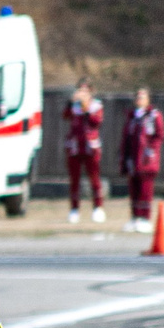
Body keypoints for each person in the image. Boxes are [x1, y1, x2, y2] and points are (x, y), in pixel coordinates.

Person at [119, 86, 164, 234]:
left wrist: (150, 151)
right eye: (137, 96)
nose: (139, 99)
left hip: (146, 159)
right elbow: (127, 138)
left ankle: (145, 218)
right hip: (133, 158)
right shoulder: (132, 116)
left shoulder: (153, 115)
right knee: (134, 189)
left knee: (145, 189)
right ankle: (135, 217)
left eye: (143, 96)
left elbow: (159, 135)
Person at [62, 79, 106, 225]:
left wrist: (86, 107)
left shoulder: (96, 105)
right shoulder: (74, 106)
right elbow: (65, 115)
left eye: (85, 91)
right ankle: (74, 209)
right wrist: (71, 102)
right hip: (75, 146)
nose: (82, 94)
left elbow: (96, 122)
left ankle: (98, 208)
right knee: (74, 180)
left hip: (90, 146)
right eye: (80, 90)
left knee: (94, 178)